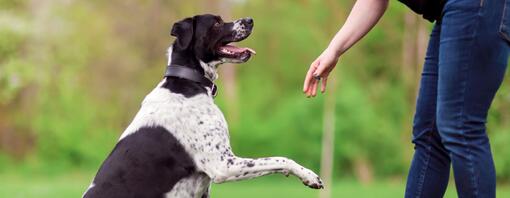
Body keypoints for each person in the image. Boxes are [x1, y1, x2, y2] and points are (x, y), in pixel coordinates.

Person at [303, 0, 510, 197]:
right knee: (429, 136)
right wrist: (334, 50)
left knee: (459, 126)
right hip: (452, 11)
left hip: (476, 7)